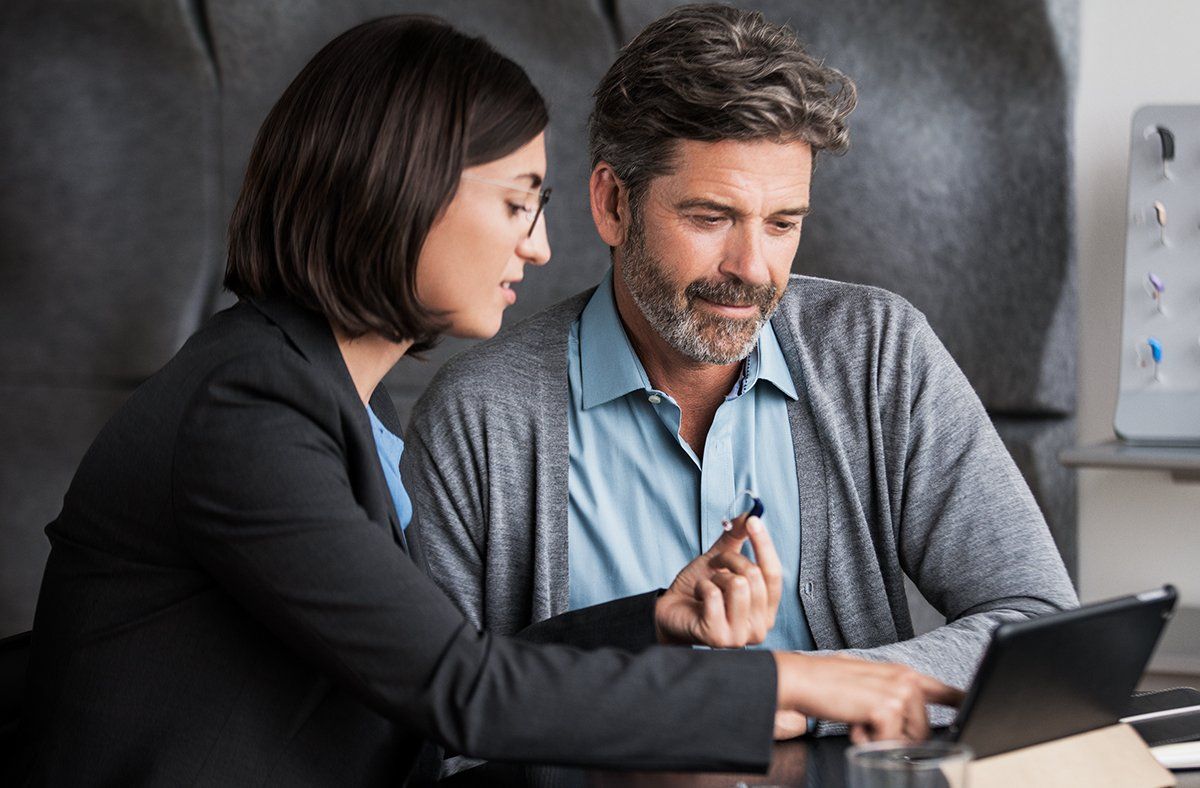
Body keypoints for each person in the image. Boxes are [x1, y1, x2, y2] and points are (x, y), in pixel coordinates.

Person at [18, 14, 960, 787]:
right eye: (516, 203)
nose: (541, 246)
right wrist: (792, 680)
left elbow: (445, 662)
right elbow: (459, 686)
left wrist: (647, 623)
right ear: (400, 192)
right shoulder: (246, 412)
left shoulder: (320, 405)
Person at [404, 2, 1078, 738]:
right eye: (710, 217)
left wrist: (812, 701)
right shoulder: (479, 417)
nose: (751, 269)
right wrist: (775, 694)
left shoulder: (880, 354)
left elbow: (1037, 620)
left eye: (783, 223)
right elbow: (439, 721)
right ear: (612, 203)